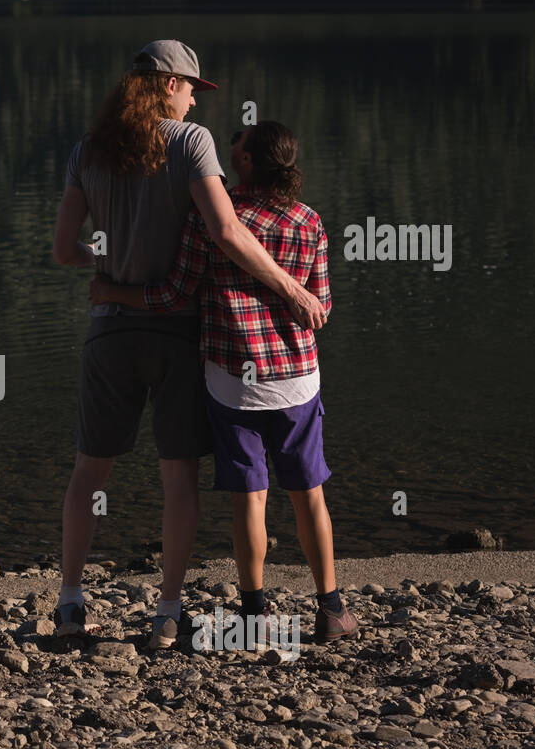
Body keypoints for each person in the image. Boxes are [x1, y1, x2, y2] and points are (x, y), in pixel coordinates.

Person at [52, 40, 327, 650]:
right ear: (171, 84)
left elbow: (65, 251)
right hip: (178, 332)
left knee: (89, 473)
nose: (192, 99)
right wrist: (292, 289)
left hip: (110, 329)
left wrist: (111, 259)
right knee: (178, 479)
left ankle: (70, 604)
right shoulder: (192, 142)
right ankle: (168, 613)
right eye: (191, 88)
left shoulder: (88, 151)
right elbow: (226, 231)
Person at [89, 120, 359, 645]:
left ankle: (254, 616)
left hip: (232, 382)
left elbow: (172, 296)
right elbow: (321, 307)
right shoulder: (309, 221)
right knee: (310, 496)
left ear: (247, 161)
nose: (228, 144)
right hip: (296, 381)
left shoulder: (213, 219)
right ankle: (331, 609)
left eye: (236, 140)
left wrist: (112, 292)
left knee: (249, 500)